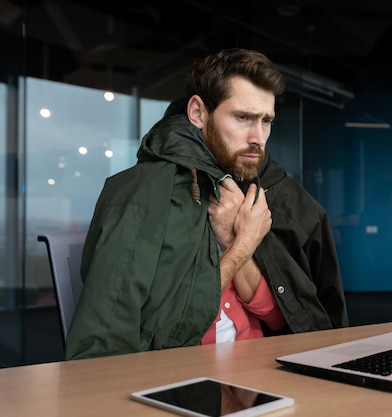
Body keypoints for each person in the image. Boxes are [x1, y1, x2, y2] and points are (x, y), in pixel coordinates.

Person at [65, 48, 349, 360]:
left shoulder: (267, 191)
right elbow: (150, 341)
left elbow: (284, 319)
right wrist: (244, 244)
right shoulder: (141, 192)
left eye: (266, 121)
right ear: (199, 113)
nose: (259, 137)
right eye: (243, 118)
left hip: (261, 373)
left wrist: (231, 241)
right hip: (186, 384)